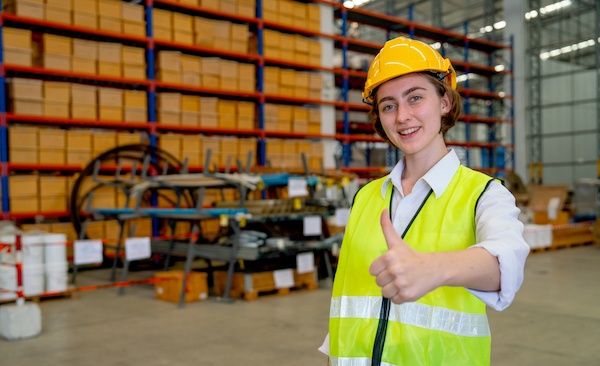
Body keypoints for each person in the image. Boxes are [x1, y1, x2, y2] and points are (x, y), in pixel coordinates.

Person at [320, 36, 530, 365]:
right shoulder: (365, 197)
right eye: (388, 105)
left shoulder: (483, 195)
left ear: (444, 102)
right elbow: (347, 303)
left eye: (415, 98)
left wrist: (433, 268)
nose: (402, 116)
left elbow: (506, 267)